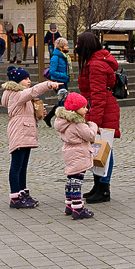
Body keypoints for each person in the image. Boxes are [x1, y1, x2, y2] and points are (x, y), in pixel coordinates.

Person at [0, 65, 60, 208]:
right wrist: (49, 84)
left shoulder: (21, 94)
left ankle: (23, 193)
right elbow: (33, 91)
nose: (28, 81)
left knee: (23, 165)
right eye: (25, 79)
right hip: (20, 131)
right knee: (16, 165)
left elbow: (26, 109)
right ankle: (15, 197)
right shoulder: (16, 94)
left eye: (29, 78)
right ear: (16, 82)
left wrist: (38, 114)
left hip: (25, 130)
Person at [75, 30, 121, 203]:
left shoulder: (95, 65)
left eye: (79, 44)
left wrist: (95, 122)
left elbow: (98, 96)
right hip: (97, 109)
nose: (76, 47)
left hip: (101, 110)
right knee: (98, 148)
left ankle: (103, 188)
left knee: (104, 148)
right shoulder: (94, 62)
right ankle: (98, 185)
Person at [51, 90, 101, 219]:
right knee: (77, 181)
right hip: (79, 152)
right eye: (83, 107)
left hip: (69, 151)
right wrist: (93, 125)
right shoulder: (78, 123)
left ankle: (69, 205)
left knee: (71, 179)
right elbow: (90, 135)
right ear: (75, 109)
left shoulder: (63, 122)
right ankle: (78, 207)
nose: (86, 110)